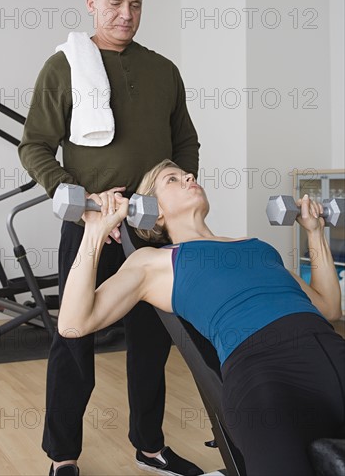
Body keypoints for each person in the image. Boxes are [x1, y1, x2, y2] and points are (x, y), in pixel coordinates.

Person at [18, 0, 202, 476]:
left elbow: (184, 140)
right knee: (73, 339)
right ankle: (63, 456)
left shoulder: (163, 69)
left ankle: (149, 447)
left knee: (154, 339)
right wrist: (75, 195)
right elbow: (35, 146)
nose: (127, 14)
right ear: (92, 4)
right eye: (116, 3)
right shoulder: (64, 67)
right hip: (91, 224)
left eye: (136, 4)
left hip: (153, 228)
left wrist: (175, 199)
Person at [58, 159, 345, 476]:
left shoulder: (258, 247)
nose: (188, 177)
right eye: (172, 179)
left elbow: (328, 309)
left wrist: (316, 234)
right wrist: (95, 233)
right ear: (155, 211)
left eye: (187, 174)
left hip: (335, 352)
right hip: (267, 379)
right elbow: (74, 323)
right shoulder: (154, 263)